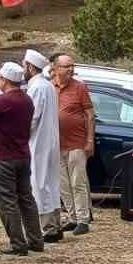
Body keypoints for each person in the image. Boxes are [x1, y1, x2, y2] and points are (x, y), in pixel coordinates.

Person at [0, 62, 47, 256]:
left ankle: (18, 243)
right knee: (26, 198)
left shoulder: (2, 101)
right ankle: (36, 239)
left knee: (7, 201)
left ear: (5, 80)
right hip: (22, 155)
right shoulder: (26, 100)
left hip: (3, 157)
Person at [23, 50, 66, 243]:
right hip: (50, 140)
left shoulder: (37, 87)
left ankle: (47, 227)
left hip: (39, 141)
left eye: (24, 66)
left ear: (30, 67)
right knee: (50, 182)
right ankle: (55, 224)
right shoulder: (47, 85)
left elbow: (32, 117)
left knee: (39, 183)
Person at [53, 54, 96, 233]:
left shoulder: (79, 88)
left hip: (76, 143)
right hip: (56, 144)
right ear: (56, 68)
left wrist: (89, 140)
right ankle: (71, 217)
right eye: (66, 66)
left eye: (72, 66)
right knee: (63, 184)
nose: (71, 69)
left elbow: (90, 115)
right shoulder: (50, 87)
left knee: (78, 182)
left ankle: (83, 220)